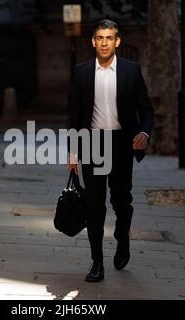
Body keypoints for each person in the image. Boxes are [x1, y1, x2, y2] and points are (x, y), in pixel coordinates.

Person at [67, 20, 154, 282]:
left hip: (121, 144)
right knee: (94, 204)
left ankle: (122, 237)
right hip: (93, 144)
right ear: (93, 42)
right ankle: (97, 262)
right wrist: (72, 153)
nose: (104, 42)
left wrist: (144, 133)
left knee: (121, 202)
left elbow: (147, 110)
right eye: (99, 38)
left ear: (117, 41)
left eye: (109, 38)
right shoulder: (81, 73)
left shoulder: (131, 71)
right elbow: (73, 117)